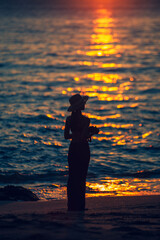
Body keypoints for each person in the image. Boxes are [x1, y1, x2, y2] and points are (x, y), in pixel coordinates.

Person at [64, 93, 99, 211]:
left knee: (72, 177)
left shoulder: (69, 120)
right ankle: (80, 206)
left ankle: (71, 205)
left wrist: (75, 135)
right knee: (81, 177)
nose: (84, 105)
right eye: (83, 103)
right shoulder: (85, 120)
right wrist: (92, 132)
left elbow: (66, 136)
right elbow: (84, 136)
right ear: (80, 106)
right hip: (83, 149)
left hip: (73, 148)